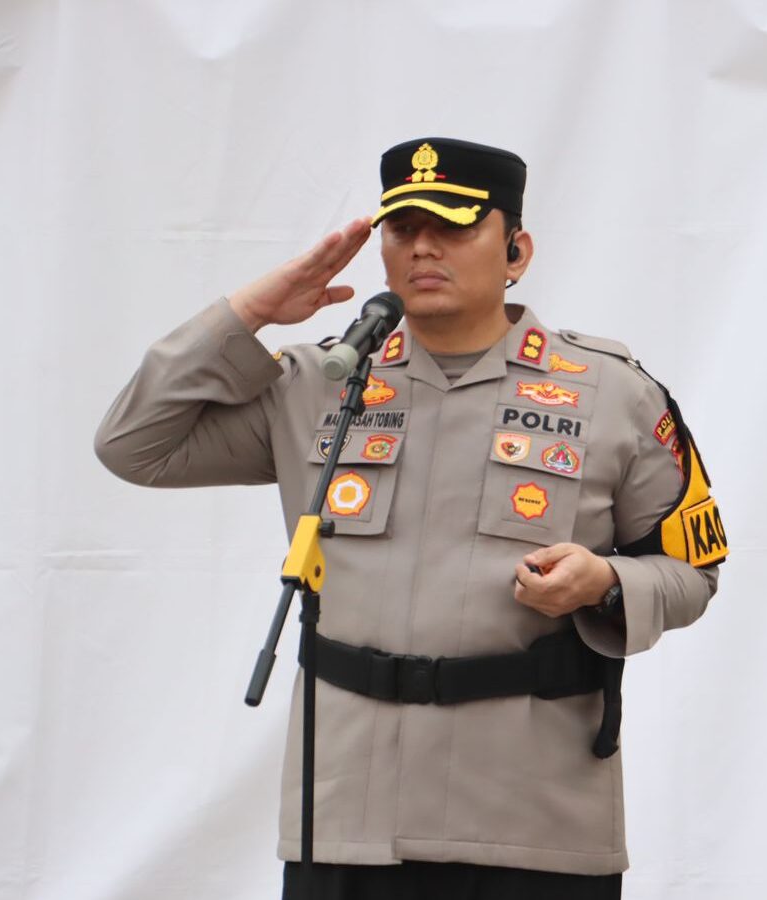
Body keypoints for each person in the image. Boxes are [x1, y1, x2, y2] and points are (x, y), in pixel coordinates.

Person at [95, 137, 728, 900]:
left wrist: (604, 582)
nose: (424, 247)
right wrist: (251, 313)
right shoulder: (318, 385)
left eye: (456, 226)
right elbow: (134, 446)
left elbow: (691, 571)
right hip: (350, 816)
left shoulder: (612, 393)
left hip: (534, 818)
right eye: (402, 229)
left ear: (516, 249)